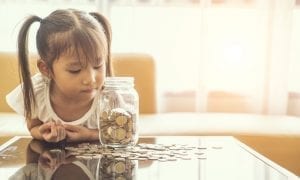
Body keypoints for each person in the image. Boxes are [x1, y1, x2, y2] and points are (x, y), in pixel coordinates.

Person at [6, 9, 112, 143]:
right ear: (46, 69)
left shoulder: (111, 96)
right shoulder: (37, 91)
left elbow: (124, 133)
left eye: (98, 66)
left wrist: (90, 134)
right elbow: (33, 126)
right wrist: (42, 132)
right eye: (75, 70)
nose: (90, 79)